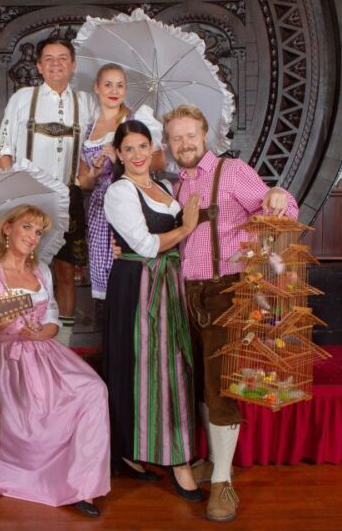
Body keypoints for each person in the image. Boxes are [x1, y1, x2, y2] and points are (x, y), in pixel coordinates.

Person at [163, 104, 298, 522]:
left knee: (222, 384)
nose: (184, 144)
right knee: (201, 382)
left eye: (190, 136)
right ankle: (211, 459)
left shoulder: (232, 171)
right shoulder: (176, 186)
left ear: (205, 135)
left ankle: (222, 482)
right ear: (168, 145)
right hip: (188, 293)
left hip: (230, 291)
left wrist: (278, 195)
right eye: (176, 138)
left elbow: (282, 210)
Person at [0, 204, 110, 518]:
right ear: (8, 228)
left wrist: (40, 331)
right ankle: (30, 478)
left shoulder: (41, 270)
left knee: (93, 390)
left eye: (38, 232)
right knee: (29, 420)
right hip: (7, 359)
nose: (33, 237)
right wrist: (7, 320)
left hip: (43, 350)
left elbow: (53, 318)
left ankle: (83, 485)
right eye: (27, 227)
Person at [103, 120, 203, 502]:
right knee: (148, 368)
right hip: (139, 286)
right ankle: (173, 460)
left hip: (169, 282)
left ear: (153, 148)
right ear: (118, 154)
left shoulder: (161, 186)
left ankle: (140, 451)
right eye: (129, 149)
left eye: (143, 146)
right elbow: (145, 245)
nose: (138, 155)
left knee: (166, 365)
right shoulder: (119, 191)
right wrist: (186, 228)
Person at [0, 36, 96, 346]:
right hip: (28, 198)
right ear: (39, 66)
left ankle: (61, 343)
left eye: (63, 57)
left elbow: (92, 149)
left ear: (73, 64)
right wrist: (13, 190)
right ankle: (16, 335)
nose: (56, 63)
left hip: (68, 197)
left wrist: (88, 171)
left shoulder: (88, 102)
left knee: (65, 272)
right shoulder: (23, 98)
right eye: (49, 58)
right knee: (20, 268)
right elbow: (3, 148)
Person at [77, 63, 164, 300]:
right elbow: (84, 183)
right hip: (98, 208)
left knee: (129, 269)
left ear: (125, 89)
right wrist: (95, 171)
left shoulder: (135, 120)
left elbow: (159, 163)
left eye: (120, 85)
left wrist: (122, 159)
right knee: (105, 282)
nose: (114, 90)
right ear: (97, 87)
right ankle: (113, 329)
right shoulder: (88, 129)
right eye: (108, 84)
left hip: (130, 197)